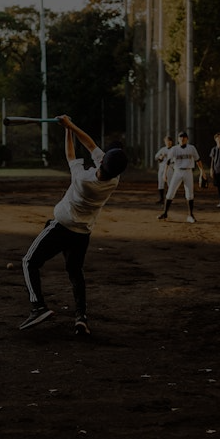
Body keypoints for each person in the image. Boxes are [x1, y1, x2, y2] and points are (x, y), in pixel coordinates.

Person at [19, 115, 128, 335]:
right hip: (82, 233)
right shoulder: (113, 180)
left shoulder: (83, 179)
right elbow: (90, 145)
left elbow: (73, 153)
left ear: (102, 162)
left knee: (29, 261)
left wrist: (68, 128)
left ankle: (38, 306)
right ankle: (81, 317)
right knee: (75, 272)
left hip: (60, 228)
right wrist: (69, 127)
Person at [157, 131, 207, 223]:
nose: (182, 139)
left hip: (188, 171)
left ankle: (190, 215)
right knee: (170, 192)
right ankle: (165, 213)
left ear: (187, 139)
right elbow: (168, 161)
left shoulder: (191, 148)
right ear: (178, 139)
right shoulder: (174, 149)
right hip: (177, 171)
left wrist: (202, 171)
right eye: (180, 137)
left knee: (189, 193)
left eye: (184, 137)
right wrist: (165, 173)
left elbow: (198, 160)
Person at [154, 135, 174, 203]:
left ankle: (170, 199)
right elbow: (156, 157)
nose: (168, 142)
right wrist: (161, 157)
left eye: (169, 141)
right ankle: (161, 199)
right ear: (165, 142)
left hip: (170, 168)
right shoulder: (163, 149)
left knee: (170, 184)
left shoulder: (174, 149)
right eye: (166, 141)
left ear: (171, 142)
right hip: (162, 168)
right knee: (160, 183)